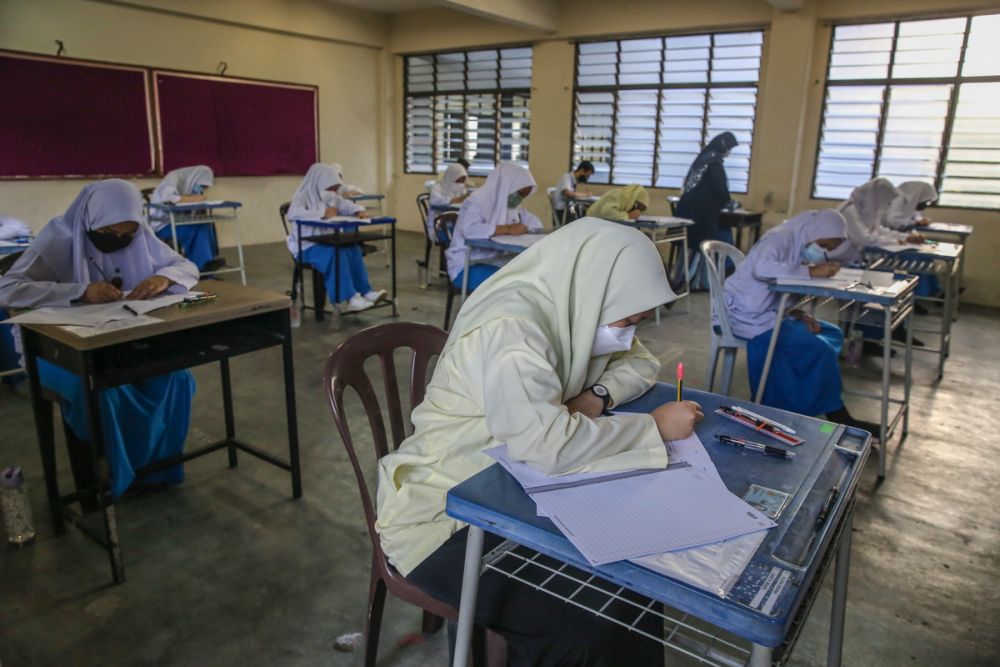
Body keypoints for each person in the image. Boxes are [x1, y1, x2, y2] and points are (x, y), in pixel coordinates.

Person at [377, 218, 703, 666]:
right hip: (445, 516)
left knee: (636, 583)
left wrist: (595, 397)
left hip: (511, 492)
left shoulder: (575, 304)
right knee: (583, 626)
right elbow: (549, 447)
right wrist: (654, 429)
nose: (627, 333)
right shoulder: (513, 332)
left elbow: (642, 362)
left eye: (636, 321)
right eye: (626, 320)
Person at [0, 179, 200, 497]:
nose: (118, 242)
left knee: (176, 377)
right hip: (56, 348)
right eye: (107, 235)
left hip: (118, 337)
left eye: (126, 236)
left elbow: (186, 267)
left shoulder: (139, 236)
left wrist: (163, 277)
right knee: (103, 391)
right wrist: (79, 292)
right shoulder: (57, 240)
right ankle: (117, 471)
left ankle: (157, 470)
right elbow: (7, 288)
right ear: (90, 221)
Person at [723, 209, 879, 434]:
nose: (822, 252)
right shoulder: (780, 237)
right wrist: (812, 271)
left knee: (832, 333)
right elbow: (763, 269)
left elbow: (783, 290)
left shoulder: (800, 242)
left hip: (771, 313)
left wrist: (799, 314)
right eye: (824, 245)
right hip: (749, 315)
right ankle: (835, 412)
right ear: (816, 232)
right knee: (819, 348)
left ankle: (805, 396)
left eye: (828, 249)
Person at [286, 163, 386, 313]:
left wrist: (359, 210)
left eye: (334, 189)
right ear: (319, 182)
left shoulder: (330, 195)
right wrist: (322, 213)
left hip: (327, 241)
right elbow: (292, 214)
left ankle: (366, 292)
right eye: (330, 188)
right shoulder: (302, 196)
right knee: (337, 254)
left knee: (353, 249)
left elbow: (344, 204)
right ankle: (351, 298)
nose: (333, 192)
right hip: (306, 246)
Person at [445, 161, 543, 291]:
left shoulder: (511, 206)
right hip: (466, 265)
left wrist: (524, 226)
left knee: (530, 277)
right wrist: (507, 229)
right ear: (508, 186)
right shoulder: (477, 201)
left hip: (494, 262)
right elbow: (469, 230)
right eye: (520, 193)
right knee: (514, 285)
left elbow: (535, 223)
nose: (519, 199)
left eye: (524, 196)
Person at [675, 132, 739, 289]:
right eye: (729, 148)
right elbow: (720, 191)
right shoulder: (714, 163)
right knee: (715, 238)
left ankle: (689, 280)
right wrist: (731, 204)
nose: (729, 152)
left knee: (717, 233)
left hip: (687, 212)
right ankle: (698, 281)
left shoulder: (702, 159)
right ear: (724, 146)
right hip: (701, 215)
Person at [149, 165, 225, 273]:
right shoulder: (174, 177)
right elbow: (169, 198)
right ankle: (201, 268)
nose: (201, 189)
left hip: (178, 222)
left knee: (206, 224)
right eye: (202, 186)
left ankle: (209, 263)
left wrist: (195, 199)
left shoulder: (189, 186)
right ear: (195, 177)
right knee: (197, 228)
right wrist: (192, 199)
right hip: (162, 224)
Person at [830, 178, 924, 262]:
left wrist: (905, 237)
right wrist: (895, 242)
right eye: (887, 200)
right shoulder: (850, 210)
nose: (888, 204)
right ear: (878, 197)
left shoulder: (871, 210)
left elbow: (878, 230)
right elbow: (865, 239)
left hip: (854, 256)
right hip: (840, 259)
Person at [426, 162, 469, 236]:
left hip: (454, 223)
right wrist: (453, 200)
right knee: (461, 235)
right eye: (458, 180)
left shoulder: (460, 187)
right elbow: (434, 201)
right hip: (438, 226)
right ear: (451, 177)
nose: (460, 183)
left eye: (463, 181)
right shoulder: (438, 188)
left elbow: (464, 198)